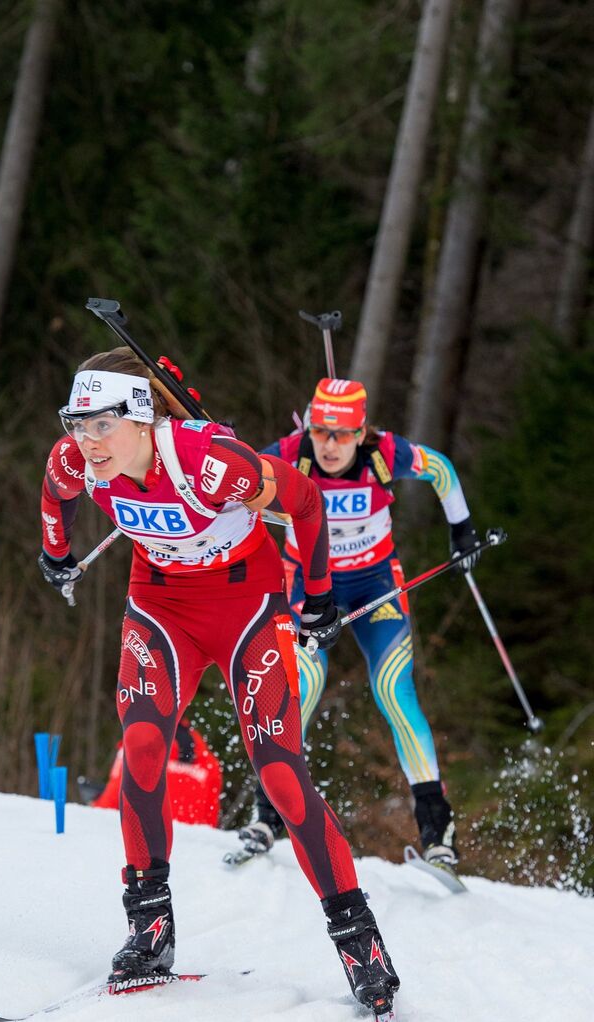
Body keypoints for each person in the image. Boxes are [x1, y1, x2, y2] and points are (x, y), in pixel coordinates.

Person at [38, 349, 399, 1013]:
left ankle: (360, 944)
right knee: (143, 744)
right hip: (160, 603)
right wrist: (55, 555)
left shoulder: (208, 462)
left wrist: (317, 596)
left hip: (248, 604)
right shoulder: (78, 463)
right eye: (75, 424)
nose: (84, 442)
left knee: (280, 772)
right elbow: (54, 497)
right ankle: (150, 927)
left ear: (142, 420)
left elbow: (304, 501)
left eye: (100, 425)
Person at [237, 378, 479, 870]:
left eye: (342, 434)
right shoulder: (288, 453)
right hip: (307, 587)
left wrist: (462, 529)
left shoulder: (387, 453)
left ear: (361, 432)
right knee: (300, 686)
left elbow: (443, 471)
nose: (329, 445)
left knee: (394, 689)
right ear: (308, 426)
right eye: (321, 431)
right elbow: (232, 484)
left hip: (376, 586)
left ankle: (437, 828)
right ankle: (269, 814)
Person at [78, 717, 223, 827]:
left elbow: (110, 805)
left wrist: (94, 805)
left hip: (148, 845)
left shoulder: (135, 743)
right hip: (194, 848)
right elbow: (211, 819)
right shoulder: (205, 756)